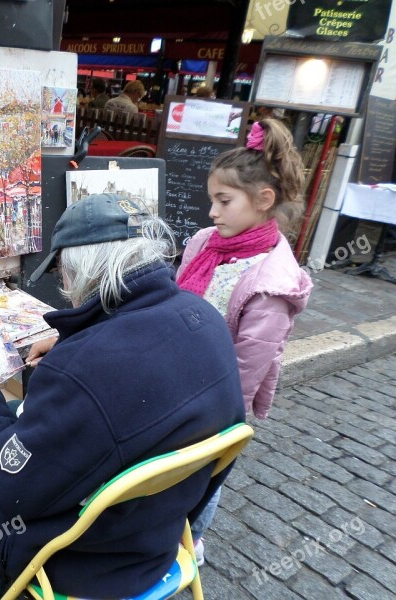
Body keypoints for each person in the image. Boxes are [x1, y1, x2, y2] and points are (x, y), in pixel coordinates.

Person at [0, 194, 246, 599]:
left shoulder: (82, 371)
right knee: (10, 412)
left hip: (90, 558)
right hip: (157, 529)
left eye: (61, 274)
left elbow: (10, 491)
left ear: (77, 273)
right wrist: (70, 343)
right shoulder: (205, 319)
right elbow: (129, 363)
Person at [176, 118, 313, 565]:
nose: (212, 212)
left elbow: (245, 369)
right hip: (176, 378)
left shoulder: (271, 285)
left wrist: (210, 419)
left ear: (263, 200)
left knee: (207, 472)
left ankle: (192, 537)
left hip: (215, 401)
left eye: (224, 201)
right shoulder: (204, 243)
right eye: (212, 200)